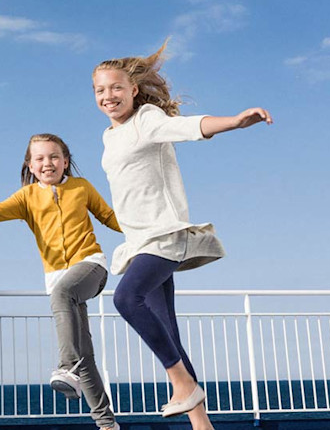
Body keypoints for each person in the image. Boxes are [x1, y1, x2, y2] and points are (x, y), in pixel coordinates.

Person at [92, 40, 272, 429]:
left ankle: (181, 383)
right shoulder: (109, 136)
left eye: (116, 88)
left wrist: (234, 122)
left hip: (165, 235)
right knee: (167, 329)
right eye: (100, 90)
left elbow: (187, 127)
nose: (109, 96)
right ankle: (201, 423)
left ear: (133, 90)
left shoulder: (147, 119)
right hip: (139, 240)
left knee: (126, 298)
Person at [0, 133, 121, 430]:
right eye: (39, 158)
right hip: (59, 281)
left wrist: (145, 225)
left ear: (65, 161)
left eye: (53, 156)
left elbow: (110, 218)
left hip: (91, 266)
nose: (47, 162)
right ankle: (107, 424)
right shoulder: (26, 197)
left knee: (64, 301)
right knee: (84, 355)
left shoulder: (81, 187)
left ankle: (65, 367)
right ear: (30, 165)